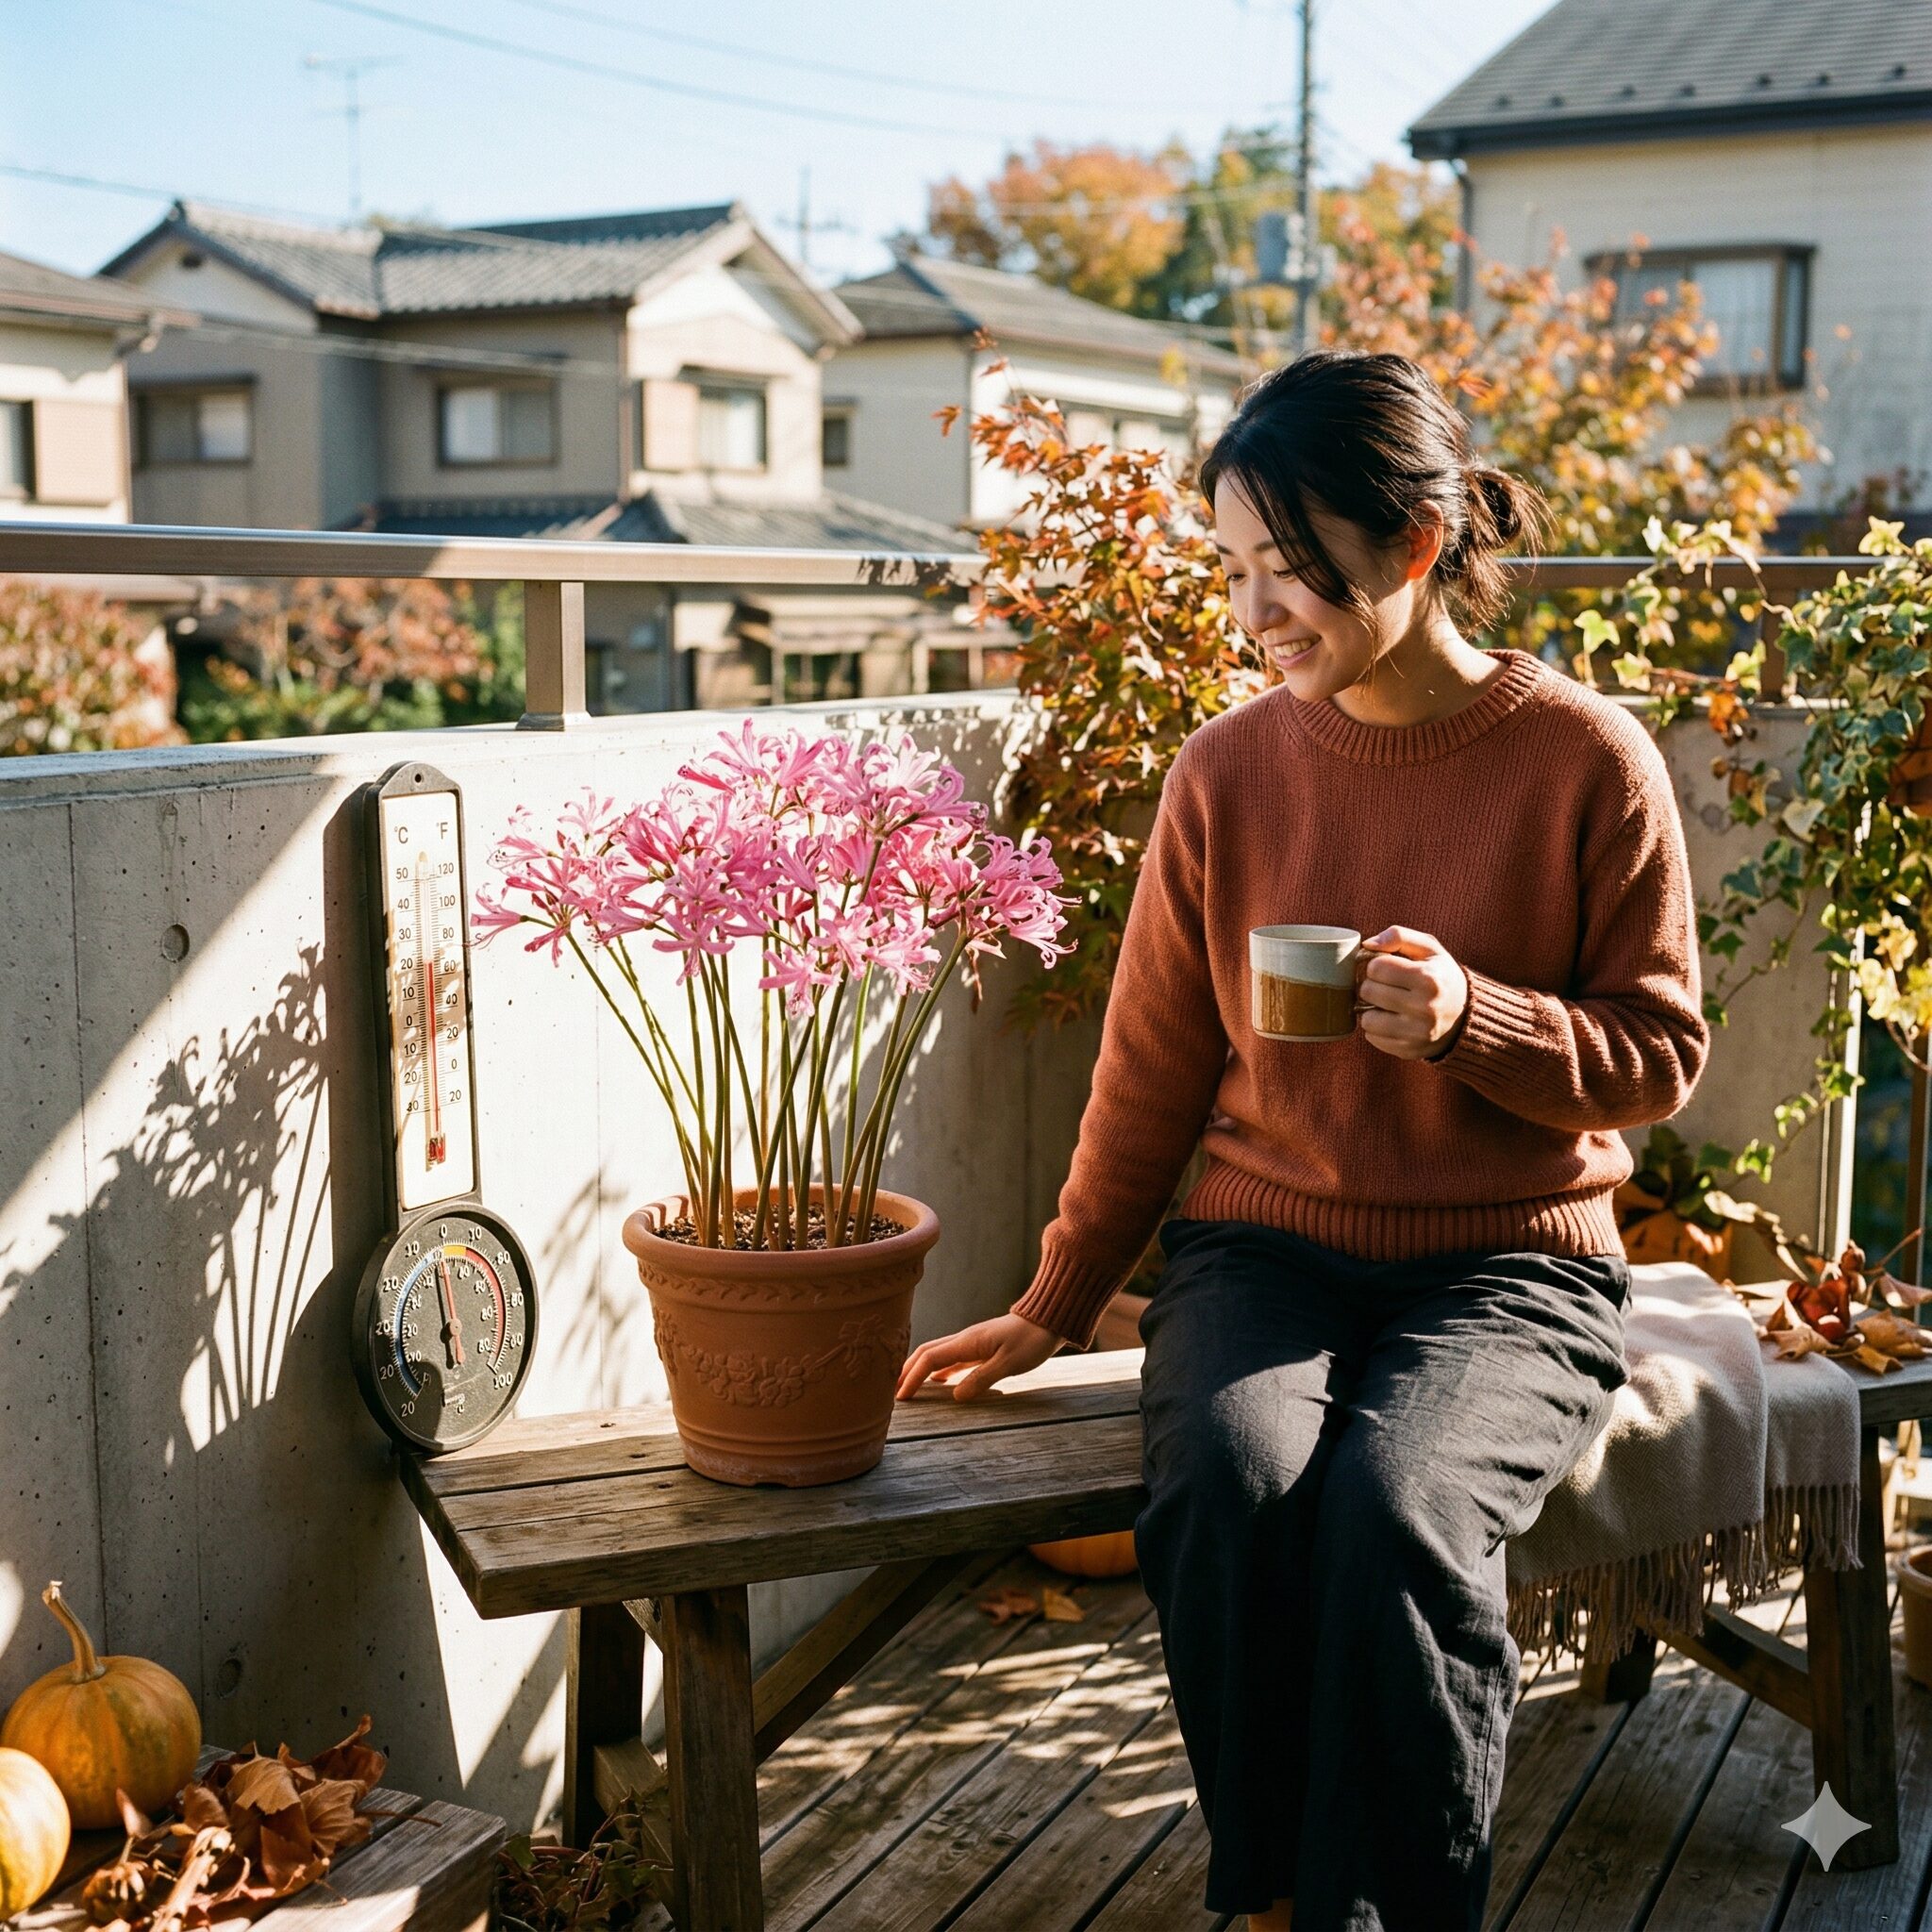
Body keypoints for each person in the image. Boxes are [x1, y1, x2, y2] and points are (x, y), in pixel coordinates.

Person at [895, 350, 1708, 1931]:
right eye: (1234, 571)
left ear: (1412, 544)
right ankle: (1269, 1899)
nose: (1257, 611)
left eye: (1292, 568)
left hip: (1513, 1267)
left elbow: (1659, 1054)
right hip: (1263, 1246)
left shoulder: (1586, 760)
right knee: (1226, 1472)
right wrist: (1054, 1303)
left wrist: (1480, 1019)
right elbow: (1147, 1070)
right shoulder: (1229, 771)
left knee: (1398, 1513)